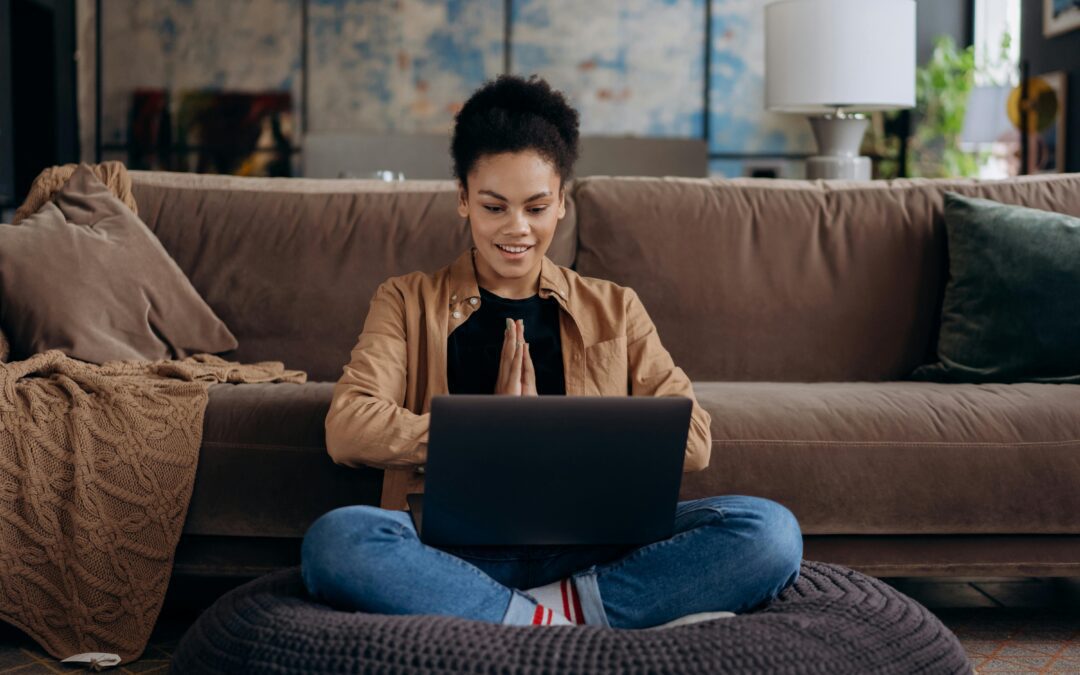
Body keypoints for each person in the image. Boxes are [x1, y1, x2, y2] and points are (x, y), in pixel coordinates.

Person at [301, 74, 803, 629]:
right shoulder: (404, 299)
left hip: (590, 550)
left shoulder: (615, 308)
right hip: (449, 550)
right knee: (337, 541)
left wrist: (548, 433)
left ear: (561, 203)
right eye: (494, 207)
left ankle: (518, 619)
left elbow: (695, 441)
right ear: (463, 201)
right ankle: (567, 621)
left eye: (536, 207)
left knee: (770, 532)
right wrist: (487, 432)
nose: (517, 229)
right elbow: (347, 427)